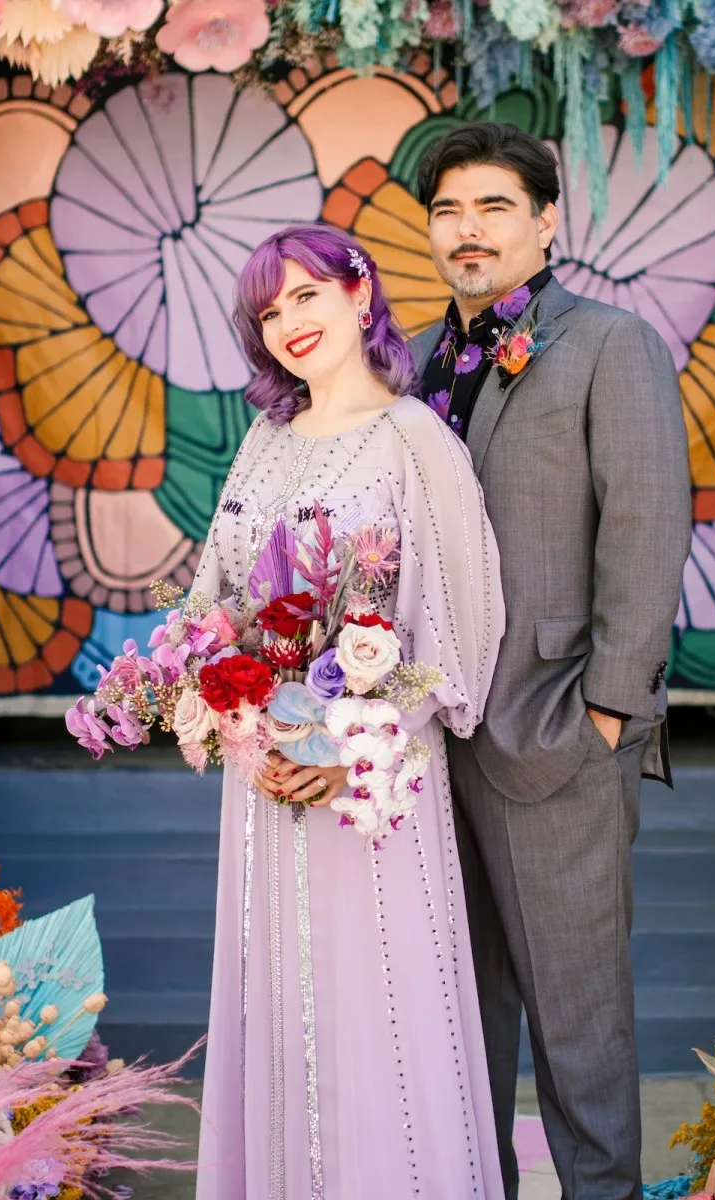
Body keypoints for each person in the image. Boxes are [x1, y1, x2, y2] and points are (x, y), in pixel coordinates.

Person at [192, 223, 507, 1199]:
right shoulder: (264, 439)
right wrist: (233, 718)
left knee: (379, 1024)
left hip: (371, 790)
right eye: (269, 309)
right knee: (282, 1018)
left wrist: (354, 744)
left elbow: (463, 626)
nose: (288, 321)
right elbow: (213, 604)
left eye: (307, 296)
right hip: (268, 784)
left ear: (361, 295)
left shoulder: (416, 439)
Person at [411, 123, 692, 1200]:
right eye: (448, 210)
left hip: (560, 728)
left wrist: (611, 712)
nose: (468, 229)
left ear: (544, 222)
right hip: (436, 740)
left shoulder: (606, 345)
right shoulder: (424, 361)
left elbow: (647, 525)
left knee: (577, 1019)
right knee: (456, 1019)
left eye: (492, 208)